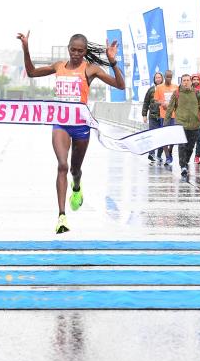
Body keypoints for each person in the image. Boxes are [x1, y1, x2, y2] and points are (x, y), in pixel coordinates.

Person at [18, 31, 124, 234]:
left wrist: (112, 63)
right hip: (61, 124)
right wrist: (25, 47)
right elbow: (31, 72)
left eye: (80, 51)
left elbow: (120, 85)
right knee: (62, 165)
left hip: (81, 125)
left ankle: (76, 186)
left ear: (85, 52)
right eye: (73, 50)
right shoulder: (59, 66)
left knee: (75, 169)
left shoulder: (91, 69)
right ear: (68, 49)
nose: (76, 54)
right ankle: (61, 216)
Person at [165, 74, 200, 180]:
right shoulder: (177, 93)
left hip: (194, 124)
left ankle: (186, 161)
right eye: (184, 80)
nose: (186, 82)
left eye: (188, 80)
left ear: (191, 81)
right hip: (181, 124)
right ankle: (183, 166)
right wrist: (166, 124)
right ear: (181, 81)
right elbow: (170, 108)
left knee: (190, 147)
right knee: (182, 146)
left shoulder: (197, 93)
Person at [153, 69, 178, 165]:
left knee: (173, 137)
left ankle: (170, 150)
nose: (168, 78)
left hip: (174, 115)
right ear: (164, 77)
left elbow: (179, 100)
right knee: (164, 137)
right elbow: (155, 100)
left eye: (170, 77)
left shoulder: (175, 87)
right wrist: (162, 103)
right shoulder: (159, 88)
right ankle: (167, 156)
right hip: (164, 116)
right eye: (167, 77)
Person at [141, 72, 165, 164]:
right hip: (152, 116)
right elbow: (146, 103)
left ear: (162, 79)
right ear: (154, 80)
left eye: (159, 77)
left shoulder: (165, 89)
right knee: (152, 135)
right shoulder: (151, 90)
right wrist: (144, 115)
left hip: (163, 116)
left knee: (162, 136)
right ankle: (151, 154)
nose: (158, 79)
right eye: (156, 78)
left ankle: (159, 155)